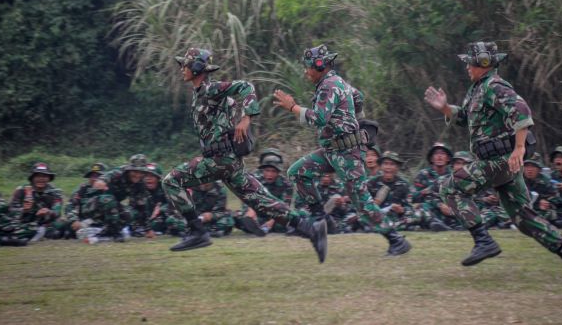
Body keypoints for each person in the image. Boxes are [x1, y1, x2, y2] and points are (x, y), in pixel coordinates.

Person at [424, 41, 562, 280]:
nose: (466, 68)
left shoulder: (495, 86)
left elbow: (522, 111)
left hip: (499, 160)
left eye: (470, 63)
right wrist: (445, 109)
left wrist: (519, 148)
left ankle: (483, 240)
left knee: (450, 187)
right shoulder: (477, 89)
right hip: (499, 162)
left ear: (484, 62)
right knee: (523, 218)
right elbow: (464, 118)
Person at [162, 47, 326, 262]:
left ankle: (198, 232)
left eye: (185, 65)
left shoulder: (211, 89)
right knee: (262, 202)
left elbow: (246, 87)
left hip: (219, 160)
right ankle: (311, 229)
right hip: (229, 162)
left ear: (196, 68)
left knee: (171, 181)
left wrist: (247, 118)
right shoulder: (202, 93)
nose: (182, 68)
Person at [274, 44, 410, 256]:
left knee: (362, 203)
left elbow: (319, 118)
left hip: (347, 154)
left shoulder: (329, 85)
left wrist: (293, 107)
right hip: (332, 151)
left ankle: (396, 240)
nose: (305, 71)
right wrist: (355, 120)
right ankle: (319, 220)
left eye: (307, 67)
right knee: (298, 172)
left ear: (319, 65)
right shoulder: (338, 83)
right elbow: (359, 97)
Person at [8, 163, 66, 241]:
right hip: (26, 223)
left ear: (49, 178)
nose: (41, 179)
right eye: (38, 176)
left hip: (46, 224)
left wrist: (48, 212)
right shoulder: (21, 190)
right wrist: (23, 210)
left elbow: (57, 212)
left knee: (62, 225)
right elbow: (11, 211)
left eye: (45, 176)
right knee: (10, 228)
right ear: (32, 178)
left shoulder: (55, 192)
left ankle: (41, 233)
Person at [412, 142, 458, 230]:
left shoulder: (453, 176)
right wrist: (427, 191)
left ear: (448, 158)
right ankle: (435, 224)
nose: (439, 156)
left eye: (442, 153)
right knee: (421, 207)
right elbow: (413, 197)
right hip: (431, 210)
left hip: (448, 210)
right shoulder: (423, 174)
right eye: (436, 153)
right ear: (432, 158)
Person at [366, 151, 415, 231]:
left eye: (392, 164)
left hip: (396, 219)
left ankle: (389, 228)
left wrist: (401, 210)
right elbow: (364, 206)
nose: (388, 167)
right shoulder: (372, 183)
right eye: (385, 163)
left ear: (397, 167)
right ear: (381, 166)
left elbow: (410, 208)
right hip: (376, 218)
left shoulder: (404, 184)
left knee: (415, 215)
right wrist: (376, 204)